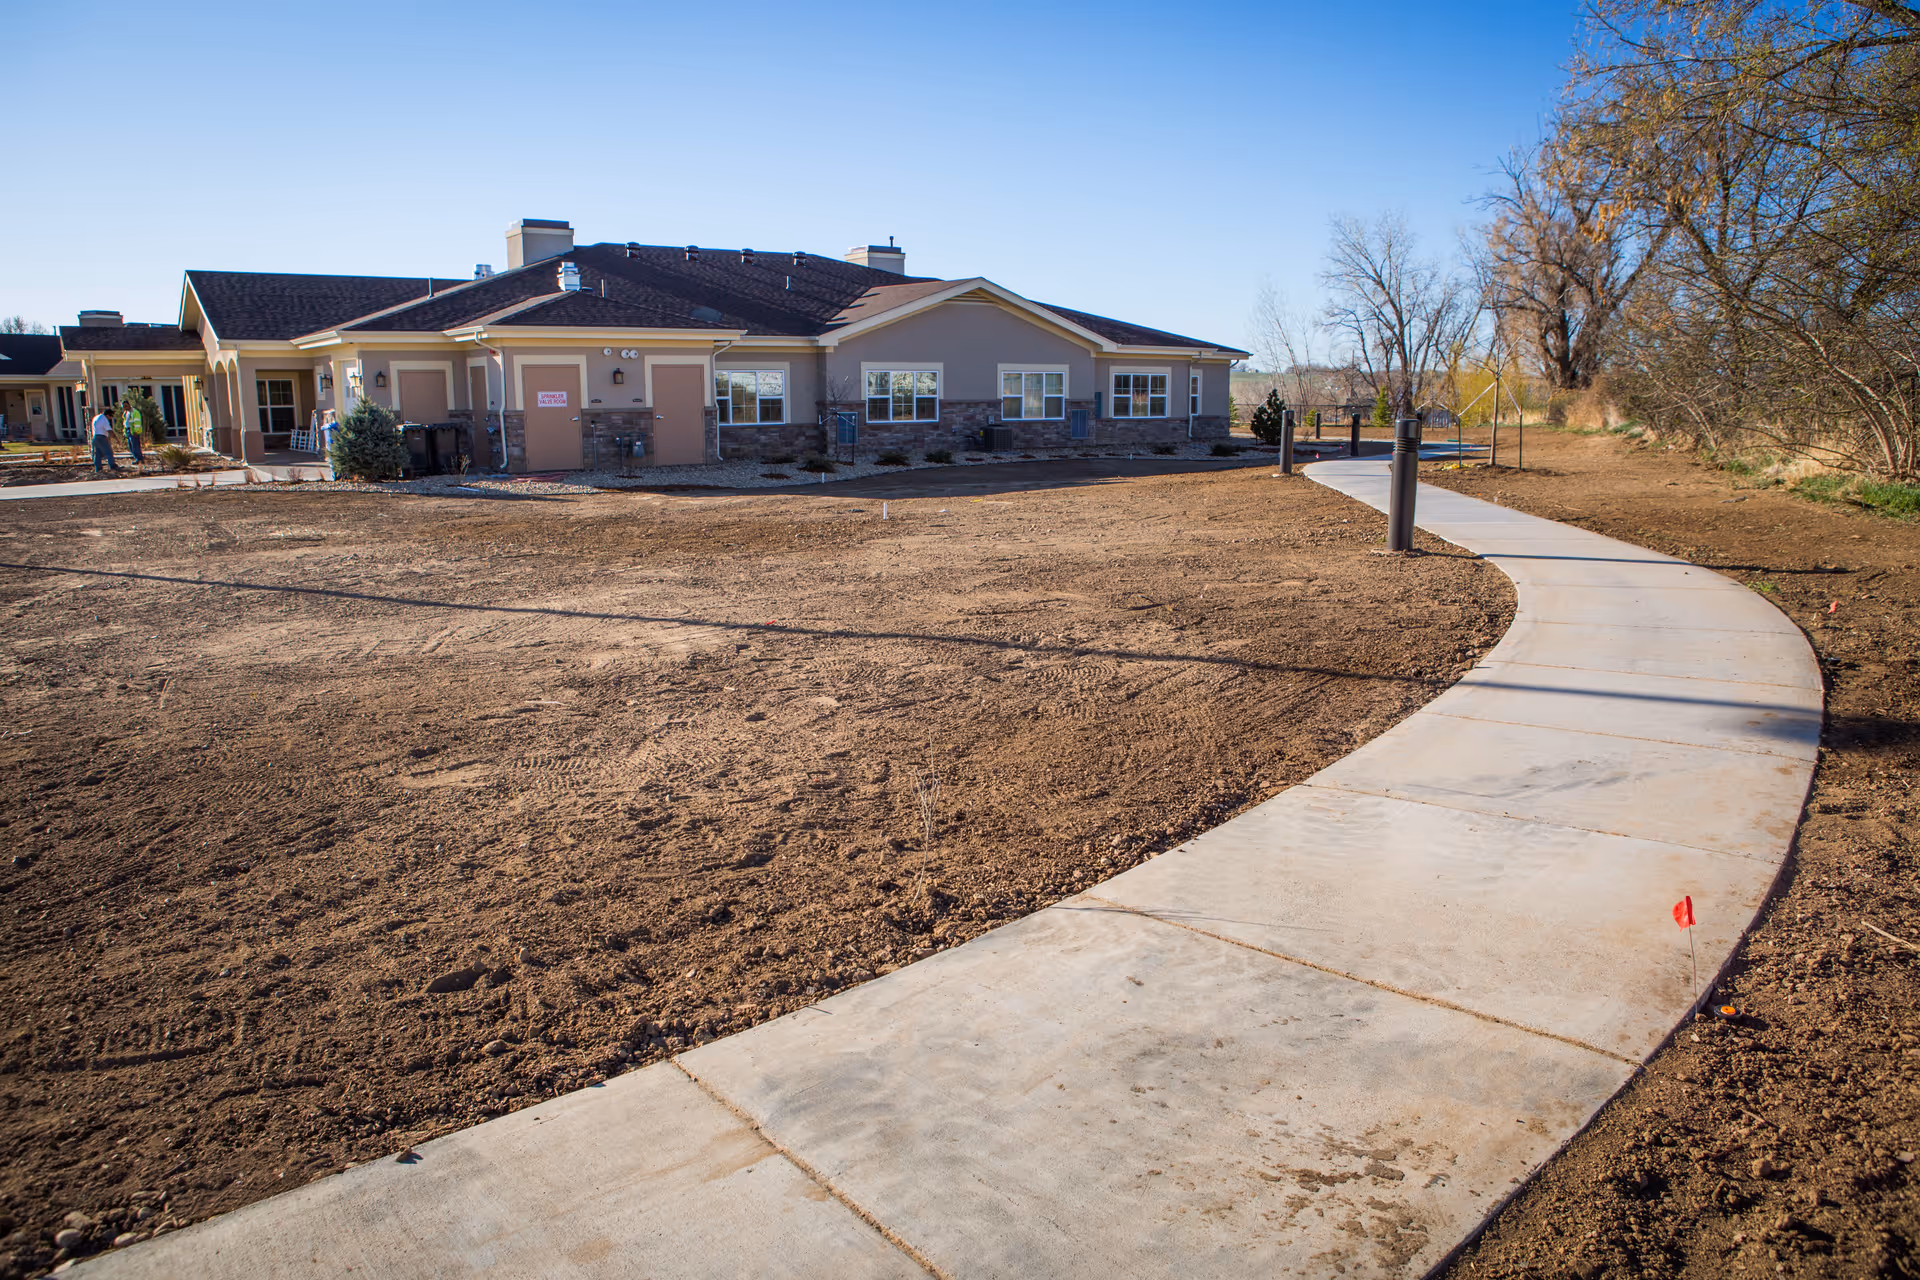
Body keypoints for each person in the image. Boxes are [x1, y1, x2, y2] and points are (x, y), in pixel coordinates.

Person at [90, 408, 120, 474]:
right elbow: (109, 430)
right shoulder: (104, 419)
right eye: (110, 417)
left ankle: (98, 469)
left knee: (97, 453)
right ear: (108, 415)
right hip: (101, 438)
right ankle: (112, 466)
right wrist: (116, 439)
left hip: (95, 437)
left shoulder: (96, 417)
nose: (110, 419)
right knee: (108, 452)